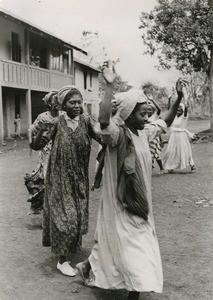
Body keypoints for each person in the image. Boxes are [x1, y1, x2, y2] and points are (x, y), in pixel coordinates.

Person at [76, 65, 186, 300]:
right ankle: (133, 293)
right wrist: (109, 86)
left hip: (139, 199)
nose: (147, 118)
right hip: (121, 201)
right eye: (142, 114)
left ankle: (91, 267)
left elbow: (165, 120)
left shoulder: (144, 132)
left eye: (148, 114)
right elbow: (104, 120)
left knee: (133, 244)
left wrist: (178, 99)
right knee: (130, 247)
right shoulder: (117, 135)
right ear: (127, 114)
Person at [30, 85, 102, 277]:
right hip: (59, 178)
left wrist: (102, 170)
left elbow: (105, 140)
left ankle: (67, 252)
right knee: (66, 219)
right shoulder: (55, 123)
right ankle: (62, 261)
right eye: (73, 102)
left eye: (80, 102)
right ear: (63, 104)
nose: (78, 105)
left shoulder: (86, 121)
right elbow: (36, 145)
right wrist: (39, 131)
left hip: (79, 178)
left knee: (76, 217)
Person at [24, 91, 62, 213]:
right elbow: (31, 129)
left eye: (58, 99)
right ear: (49, 103)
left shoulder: (64, 116)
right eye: (54, 100)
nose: (57, 102)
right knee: (47, 180)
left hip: (61, 151)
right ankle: (47, 210)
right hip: (46, 152)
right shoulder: (43, 117)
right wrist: (31, 142)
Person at [163, 94, 196, 173]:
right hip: (174, 136)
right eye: (177, 108)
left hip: (181, 137)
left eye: (180, 109)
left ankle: (192, 165)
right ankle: (170, 168)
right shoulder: (174, 117)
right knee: (171, 151)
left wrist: (185, 98)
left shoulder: (184, 116)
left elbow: (186, 108)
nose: (178, 110)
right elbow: (170, 110)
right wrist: (169, 100)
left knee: (184, 152)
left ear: (183, 110)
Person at [147, 98, 166, 174]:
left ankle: (162, 168)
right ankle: (149, 167)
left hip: (154, 137)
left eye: (150, 110)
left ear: (153, 111)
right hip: (147, 137)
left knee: (156, 153)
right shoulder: (144, 116)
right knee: (148, 153)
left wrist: (152, 100)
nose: (148, 111)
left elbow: (159, 109)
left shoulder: (154, 116)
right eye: (147, 109)